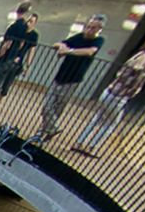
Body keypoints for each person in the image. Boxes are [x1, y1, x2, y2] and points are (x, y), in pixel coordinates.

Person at [73, 29, 145, 157]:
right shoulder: (144, 61)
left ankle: (79, 142)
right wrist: (132, 92)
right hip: (118, 96)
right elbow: (134, 82)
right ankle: (91, 147)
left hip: (110, 91)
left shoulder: (138, 55)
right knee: (111, 124)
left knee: (97, 118)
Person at [32, 13, 107, 143]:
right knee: (47, 105)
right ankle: (52, 128)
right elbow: (58, 44)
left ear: (99, 29)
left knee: (58, 107)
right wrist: (62, 47)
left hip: (73, 79)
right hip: (60, 76)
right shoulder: (78, 37)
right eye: (88, 26)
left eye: (93, 28)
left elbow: (90, 51)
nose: (88, 30)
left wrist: (69, 51)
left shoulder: (98, 40)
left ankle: (45, 131)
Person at [0, 8, 38, 117]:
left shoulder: (16, 28)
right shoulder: (27, 33)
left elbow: (7, 46)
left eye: (31, 21)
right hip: (14, 63)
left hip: (7, 61)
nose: (28, 23)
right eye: (29, 21)